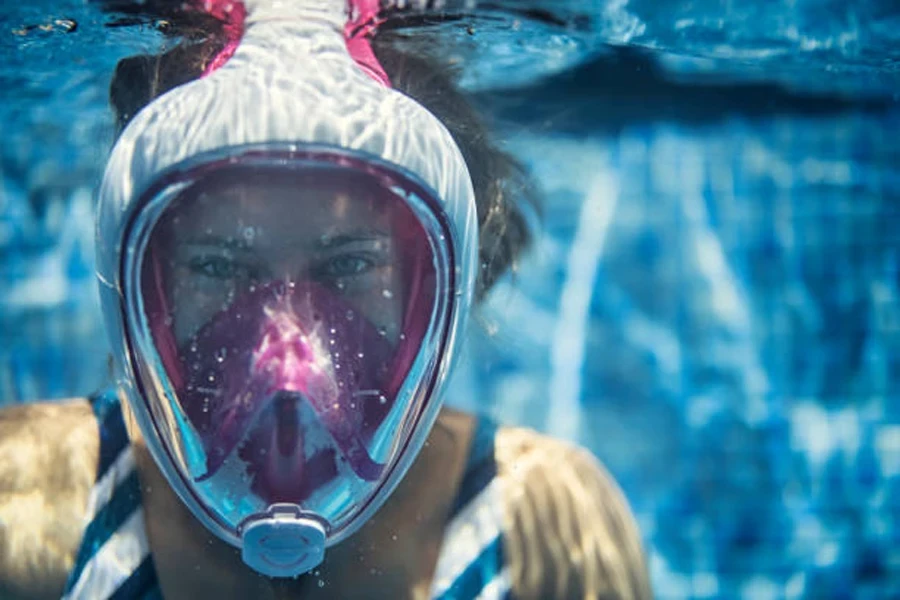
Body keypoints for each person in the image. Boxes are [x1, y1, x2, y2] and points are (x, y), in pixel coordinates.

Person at [0, 0, 652, 598]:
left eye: (347, 264)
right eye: (220, 266)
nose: (288, 351)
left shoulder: (545, 520)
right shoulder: (25, 495)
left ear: (436, 282)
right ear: (146, 289)